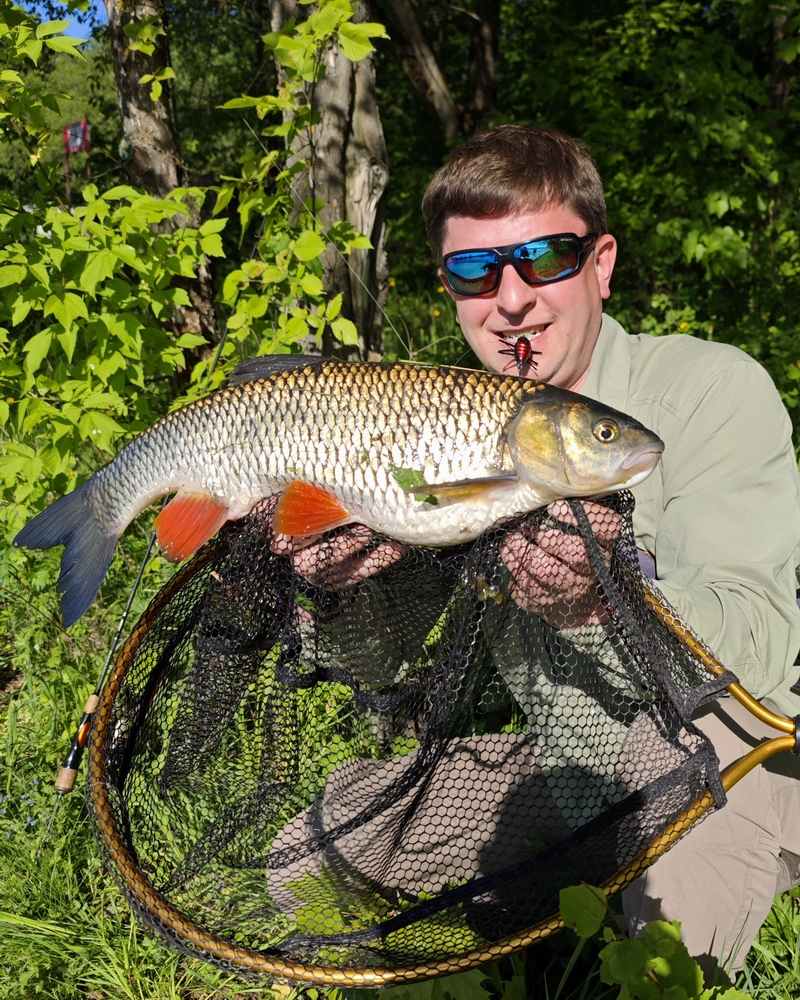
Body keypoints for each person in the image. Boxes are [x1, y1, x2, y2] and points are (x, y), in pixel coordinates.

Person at [278, 125, 800, 977]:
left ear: (600, 266)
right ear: (450, 292)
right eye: (475, 272)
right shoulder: (429, 431)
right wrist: (332, 593)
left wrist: (610, 601)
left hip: (732, 755)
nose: (510, 299)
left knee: (659, 963)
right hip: (563, 770)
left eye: (545, 258)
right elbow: (372, 665)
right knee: (309, 853)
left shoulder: (709, 389)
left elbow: (763, 646)